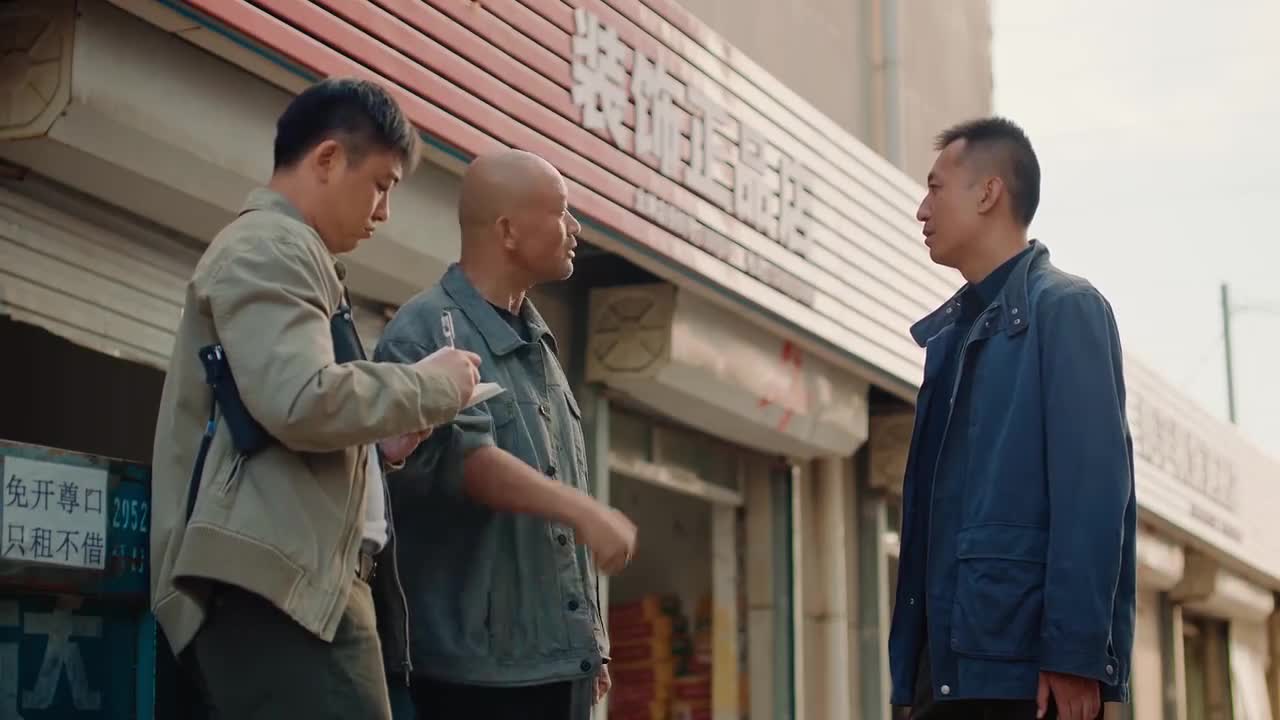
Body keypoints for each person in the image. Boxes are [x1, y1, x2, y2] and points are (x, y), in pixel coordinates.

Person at [150, 77, 482, 720]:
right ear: (328, 158)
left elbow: (285, 408)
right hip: (275, 584)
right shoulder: (274, 245)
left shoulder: (289, 251)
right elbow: (300, 399)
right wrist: (434, 386)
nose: (384, 212)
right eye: (381, 184)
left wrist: (378, 448)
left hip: (291, 579)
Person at [371, 149, 638, 720]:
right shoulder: (425, 331)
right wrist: (584, 512)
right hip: (473, 676)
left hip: (555, 666)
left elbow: (558, 477)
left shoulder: (539, 344)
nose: (575, 228)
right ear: (508, 231)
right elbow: (469, 461)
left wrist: (586, 636)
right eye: (560, 212)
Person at [887, 117, 1136, 720]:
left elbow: (1094, 495)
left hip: (1028, 678)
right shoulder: (952, 336)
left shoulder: (1066, 310)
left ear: (988, 192)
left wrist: (1074, 655)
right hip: (948, 673)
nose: (922, 210)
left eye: (935, 188)